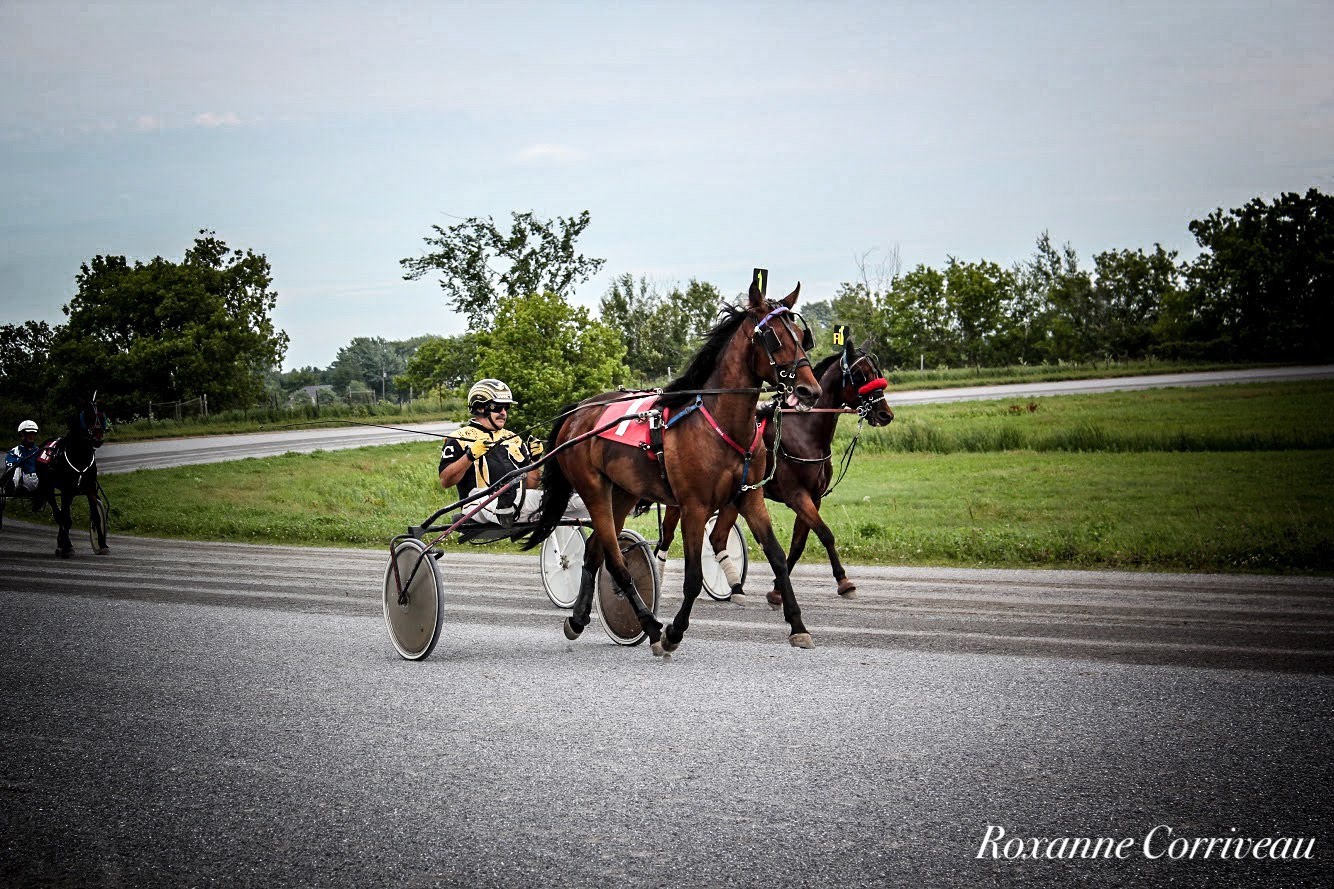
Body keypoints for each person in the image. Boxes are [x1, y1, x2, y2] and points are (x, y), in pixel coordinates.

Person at [438, 379, 549, 524]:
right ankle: (506, 506)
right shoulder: (459, 438)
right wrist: (469, 456)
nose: (503, 412)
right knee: (501, 499)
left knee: (560, 499)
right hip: (477, 502)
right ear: (481, 408)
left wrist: (535, 460)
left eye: (506, 407)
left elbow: (530, 486)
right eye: (498, 407)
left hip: (517, 501)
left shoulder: (513, 438)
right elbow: (446, 481)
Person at [3, 420, 41, 496]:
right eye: (29, 433)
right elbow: (10, 467)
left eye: (33, 433)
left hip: (38, 483)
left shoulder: (39, 451)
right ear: (22, 434)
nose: (32, 436)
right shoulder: (14, 452)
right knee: (15, 469)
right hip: (21, 485)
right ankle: (11, 492)